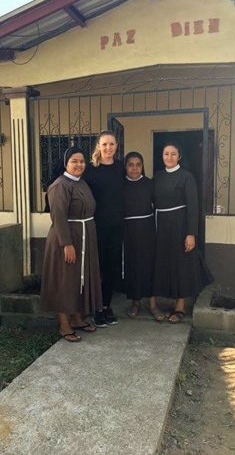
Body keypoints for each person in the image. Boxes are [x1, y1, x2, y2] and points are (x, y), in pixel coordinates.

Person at [39, 147, 101, 342]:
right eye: (74, 161)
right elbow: (58, 216)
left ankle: (76, 318)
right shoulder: (60, 185)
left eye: (82, 161)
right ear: (66, 163)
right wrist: (66, 243)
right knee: (64, 280)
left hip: (84, 236)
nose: (79, 164)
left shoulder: (81, 184)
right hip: (66, 239)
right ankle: (64, 325)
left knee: (78, 279)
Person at [152, 142, 214, 324]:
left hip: (180, 225)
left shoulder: (187, 177)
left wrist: (191, 233)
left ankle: (180, 306)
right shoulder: (158, 176)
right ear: (162, 156)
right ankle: (169, 299)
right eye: (166, 154)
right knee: (166, 263)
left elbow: (193, 206)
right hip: (162, 226)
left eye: (173, 154)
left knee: (181, 263)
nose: (169, 157)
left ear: (179, 156)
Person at [82, 130, 126, 328]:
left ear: (117, 146)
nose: (108, 148)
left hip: (117, 226)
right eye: (105, 144)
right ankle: (96, 308)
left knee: (111, 269)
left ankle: (107, 306)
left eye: (112, 144)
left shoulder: (121, 168)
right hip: (95, 226)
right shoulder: (89, 170)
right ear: (98, 146)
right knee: (97, 269)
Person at [121, 152, 164, 321]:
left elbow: (159, 205)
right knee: (133, 266)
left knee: (149, 265)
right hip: (129, 230)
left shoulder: (149, 184)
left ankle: (153, 304)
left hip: (147, 230)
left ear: (142, 166)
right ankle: (135, 302)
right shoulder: (121, 185)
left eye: (138, 164)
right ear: (125, 166)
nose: (134, 168)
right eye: (130, 164)